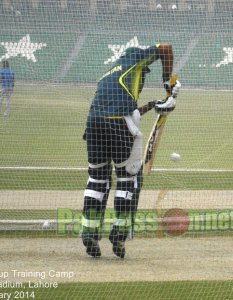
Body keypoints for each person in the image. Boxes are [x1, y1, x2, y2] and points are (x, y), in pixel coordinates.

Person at [81, 44, 181, 258]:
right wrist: (167, 81)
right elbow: (166, 48)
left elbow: (129, 112)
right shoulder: (135, 59)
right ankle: (119, 233)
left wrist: (153, 105)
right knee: (128, 180)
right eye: (145, 72)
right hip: (118, 124)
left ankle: (89, 232)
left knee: (97, 180)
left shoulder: (108, 75)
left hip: (93, 124)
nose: (144, 76)